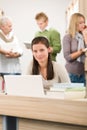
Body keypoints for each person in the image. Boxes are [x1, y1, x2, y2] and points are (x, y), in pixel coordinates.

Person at [63, 13, 87, 85]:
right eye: (80, 23)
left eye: (84, 22)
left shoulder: (83, 37)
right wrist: (80, 52)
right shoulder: (68, 37)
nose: (83, 25)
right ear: (74, 24)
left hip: (82, 73)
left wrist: (85, 35)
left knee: (82, 96)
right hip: (71, 74)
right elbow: (67, 57)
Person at [0, 16, 23, 91]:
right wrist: (6, 52)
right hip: (4, 69)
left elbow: (20, 49)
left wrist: (18, 54)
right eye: (9, 26)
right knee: (6, 92)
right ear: (2, 27)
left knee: (16, 91)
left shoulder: (14, 36)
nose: (11, 28)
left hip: (16, 69)